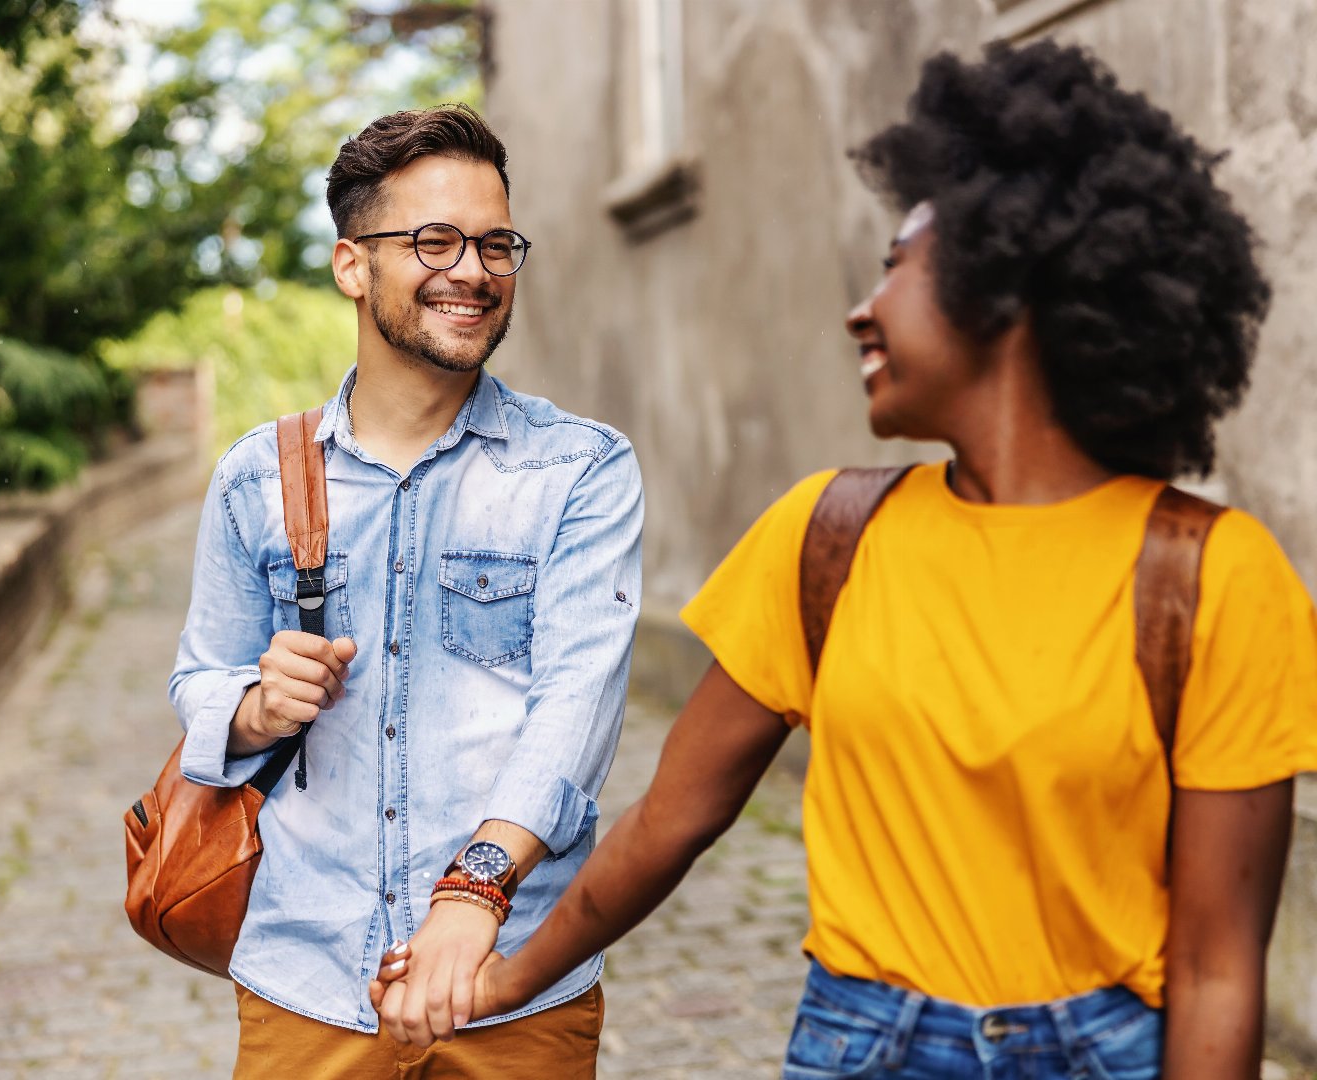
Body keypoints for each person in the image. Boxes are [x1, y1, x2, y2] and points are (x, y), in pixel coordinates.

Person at [372, 42, 1317, 1079]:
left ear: (1007, 284)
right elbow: (666, 823)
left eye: (897, 264)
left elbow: (1223, 972)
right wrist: (506, 976)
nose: (861, 308)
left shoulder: (1212, 577)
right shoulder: (826, 536)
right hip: (864, 1049)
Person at [169, 103, 643, 1078]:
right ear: (354, 265)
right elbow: (199, 680)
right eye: (434, 240)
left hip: (510, 990)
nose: (472, 270)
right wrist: (258, 707)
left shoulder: (580, 471)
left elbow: (576, 713)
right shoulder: (258, 477)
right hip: (307, 992)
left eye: (495, 244)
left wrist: (474, 894)